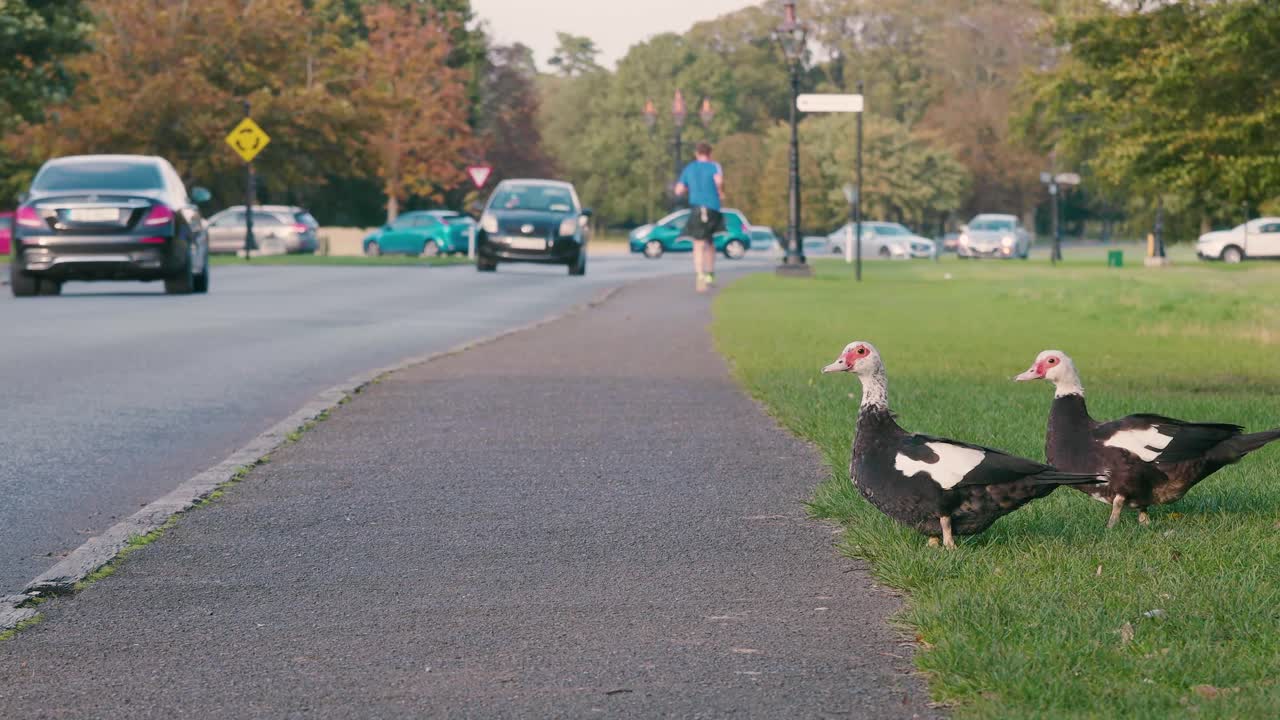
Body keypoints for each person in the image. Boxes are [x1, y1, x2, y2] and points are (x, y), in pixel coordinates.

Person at [674, 142, 724, 293]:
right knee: (710, 241)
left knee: (698, 243)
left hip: (697, 207)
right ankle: (710, 273)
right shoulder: (715, 166)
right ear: (710, 153)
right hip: (713, 207)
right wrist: (720, 192)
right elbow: (719, 181)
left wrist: (689, 188)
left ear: (697, 153)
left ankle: (700, 274)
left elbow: (679, 190)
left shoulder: (689, 168)